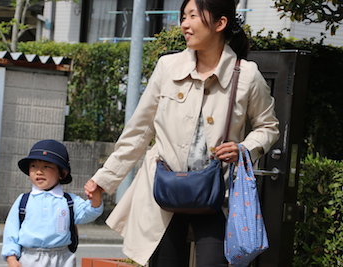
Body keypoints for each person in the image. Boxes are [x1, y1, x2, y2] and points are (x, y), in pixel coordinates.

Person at [85, 0, 279, 266]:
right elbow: (139, 131)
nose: (184, 24)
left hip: (216, 193)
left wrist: (244, 148)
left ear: (220, 23)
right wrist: (104, 180)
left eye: (193, 16)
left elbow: (268, 126)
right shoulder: (167, 67)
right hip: (164, 190)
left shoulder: (246, 75)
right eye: (183, 17)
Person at [1, 139, 103, 267]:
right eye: (34, 166)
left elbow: (89, 213)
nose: (39, 171)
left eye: (47, 166)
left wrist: (96, 197)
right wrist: (11, 258)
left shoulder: (69, 201)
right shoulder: (23, 200)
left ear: (62, 173)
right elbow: (11, 231)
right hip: (29, 257)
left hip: (62, 258)